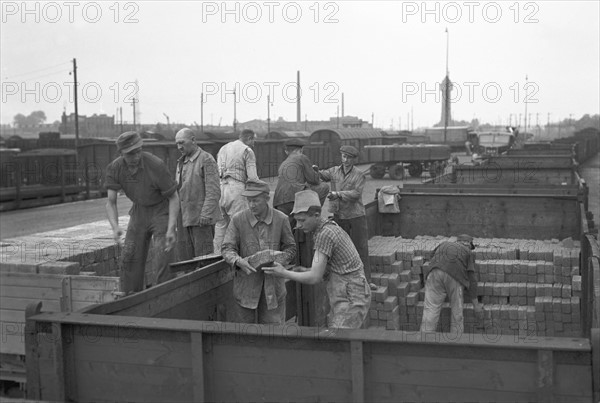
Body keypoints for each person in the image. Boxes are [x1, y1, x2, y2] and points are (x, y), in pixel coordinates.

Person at [263, 190, 371, 329]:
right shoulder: (324, 228)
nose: (299, 225)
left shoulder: (325, 234)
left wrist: (283, 273)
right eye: (296, 220)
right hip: (347, 291)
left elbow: (315, 277)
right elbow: (325, 269)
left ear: (316, 215)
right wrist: (304, 270)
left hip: (351, 296)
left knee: (340, 340)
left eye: (302, 220)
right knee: (338, 337)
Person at [105, 131, 179, 294]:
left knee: (162, 256)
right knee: (130, 256)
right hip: (139, 212)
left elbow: (174, 197)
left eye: (138, 150)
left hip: (161, 210)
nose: (136, 156)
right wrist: (115, 226)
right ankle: (130, 296)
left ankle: (164, 295)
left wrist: (171, 228)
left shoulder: (156, 165)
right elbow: (111, 202)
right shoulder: (115, 168)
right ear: (122, 154)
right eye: (131, 153)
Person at [221, 180, 296, 324]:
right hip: (246, 285)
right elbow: (227, 248)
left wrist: (280, 260)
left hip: (273, 287)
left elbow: (291, 248)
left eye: (255, 200)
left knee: (273, 333)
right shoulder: (238, 220)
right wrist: (237, 261)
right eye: (249, 201)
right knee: (245, 334)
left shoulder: (281, 219)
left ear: (267, 198)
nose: (251, 205)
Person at [315, 145, 371, 279]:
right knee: (340, 249)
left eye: (349, 158)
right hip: (339, 216)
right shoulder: (334, 171)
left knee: (360, 248)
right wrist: (315, 171)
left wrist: (338, 194)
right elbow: (322, 175)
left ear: (354, 160)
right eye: (344, 156)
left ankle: (366, 280)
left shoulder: (359, 175)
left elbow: (356, 194)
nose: (346, 160)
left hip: (355, 217)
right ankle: (344, 278)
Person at [420, 234, 484, 333]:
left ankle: (424, 340)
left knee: (430, 310)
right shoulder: (467, 252)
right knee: (457, 312)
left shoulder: (444, 244)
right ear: (468, 244)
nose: (470, 249)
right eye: (470, 247)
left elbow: (431, 257)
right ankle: (456, 343)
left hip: (433, 273)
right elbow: (472, 279)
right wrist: (476, 305)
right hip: (454, 276)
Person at [174, 128, 222, 260]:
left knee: (203, 259)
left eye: (182, 142)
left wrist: (206, 214)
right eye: (177, 144)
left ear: (193, 140)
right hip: (184, 219)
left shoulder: (206, 159)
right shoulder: (181, 162)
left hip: (201, 220)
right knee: (186, 259)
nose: (179, 147)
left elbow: (214, 190)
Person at [214, 129, 260, 252]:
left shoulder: (223, 148)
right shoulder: (247, 150)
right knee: (242, 225)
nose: (254, 143)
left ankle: (217, 258)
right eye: (253, 140)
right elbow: (253, 178)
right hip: (236, 189)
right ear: (249, 138)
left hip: (221, 188)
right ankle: (245, 258)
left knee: (220, 227)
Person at [273, 138, 329, 222]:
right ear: (301, 150)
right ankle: (313, 215)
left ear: (286, 151)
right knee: (324, 187)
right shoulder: (301, 157)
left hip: (279, 201)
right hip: (295, 198)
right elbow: (314, 180)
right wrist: (315, 172)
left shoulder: (283, 163)